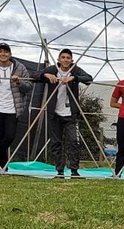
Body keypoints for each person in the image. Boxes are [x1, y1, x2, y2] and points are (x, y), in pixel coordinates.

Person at [35, 49, 94, 179]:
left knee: (74, 141)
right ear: (59, 59)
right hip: (54, 113)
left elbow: (89, 78)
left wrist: (74, 78)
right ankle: (60, 171)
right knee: (56, 143)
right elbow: (33, 75)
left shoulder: (75, 70)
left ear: (72, 60)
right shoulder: (52, 69)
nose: (66, 60)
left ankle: (74, 171)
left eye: (68, 58)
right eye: (63, 57)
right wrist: (45, 76)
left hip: (70, 114)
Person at [0, 43, 32, 173]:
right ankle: (2, 166)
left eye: (6, 52)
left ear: (10, 54)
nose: (3, 54)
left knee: (9, 136)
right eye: (0, 52)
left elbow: (28, 87)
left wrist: (19, 82)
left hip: (13, 109)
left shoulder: (19, 67)